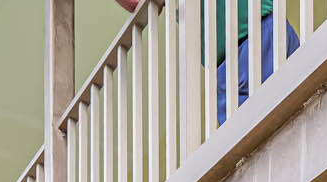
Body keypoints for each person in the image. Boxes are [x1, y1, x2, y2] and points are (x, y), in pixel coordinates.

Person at [113, 0, 300, 125]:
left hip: (259, 35)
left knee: (284, 128)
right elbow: (136, 3)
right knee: (249, 153)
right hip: (225, 67)